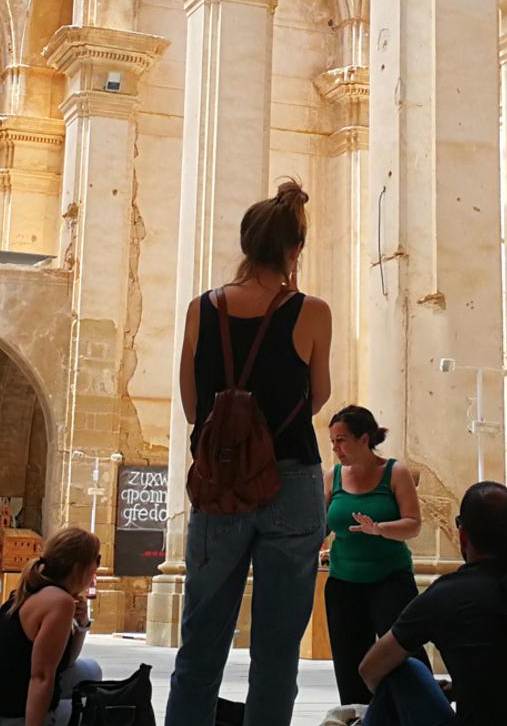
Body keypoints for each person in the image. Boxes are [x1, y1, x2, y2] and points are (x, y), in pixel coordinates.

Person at [165, 179, 333, 726]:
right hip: (292, 478)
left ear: (244, 243)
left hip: (220, 482)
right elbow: (319, 396)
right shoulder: (312, 311)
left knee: (201, 641)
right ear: (294, 249)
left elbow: (193, 405)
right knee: (278, 647)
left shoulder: (201, 309)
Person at [357, 482, 507, 726]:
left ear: (462, 534)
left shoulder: (447, 593)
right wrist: (462, 687)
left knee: (404, 671)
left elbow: (370, 670)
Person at [323, 404, 426, 706]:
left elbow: (413, 524)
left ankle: (422, 713)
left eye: (341, 440)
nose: (336, 448)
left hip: (390, 580)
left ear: (364, 439)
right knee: (349, 662)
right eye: (332, 442)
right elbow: (320, 527)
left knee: (404, 653)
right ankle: (357, 718)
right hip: (343, 582)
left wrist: (380, 529)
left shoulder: (396, 471)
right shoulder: (333, 477)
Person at [0, 528, 105, 726]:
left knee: (89, 670)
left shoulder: (31, 589)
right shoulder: (59, 601)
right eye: (96, 561)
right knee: (96, 711)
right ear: (79, 568)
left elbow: (66, 661)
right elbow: (42, 677)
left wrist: (82, 624)